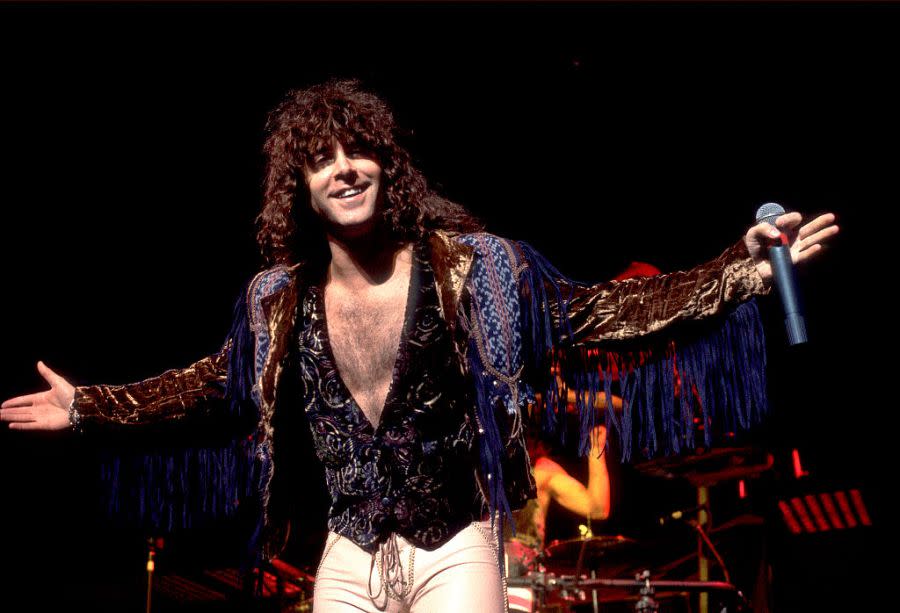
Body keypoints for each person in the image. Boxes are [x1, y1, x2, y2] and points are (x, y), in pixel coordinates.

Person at [1, 79, 838, 612]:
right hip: (347, 557)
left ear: (386, 165)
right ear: (299, 187)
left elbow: (601, 313)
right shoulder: (277, 303)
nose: (344, 169)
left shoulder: (471, 271)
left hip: (457, 547)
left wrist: (740, 272)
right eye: (321, 159)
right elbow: (209, 383)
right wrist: (89, 408)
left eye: (358, 150)